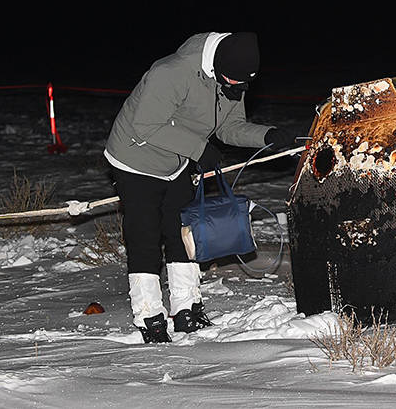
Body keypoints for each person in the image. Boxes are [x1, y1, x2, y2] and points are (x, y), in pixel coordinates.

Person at [103, 31, 296, 343]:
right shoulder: (172, 73)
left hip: (177, 159)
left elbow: (230, 127)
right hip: (135, 158)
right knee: (146, 234)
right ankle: (149, 314)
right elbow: (146, 126)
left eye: (244, 84)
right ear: (217, 68)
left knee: (183, 230)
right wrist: (198, 149)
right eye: (233, 82)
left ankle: (187, 307)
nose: (239, 89)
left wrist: (266, 135)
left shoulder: (232, 77)